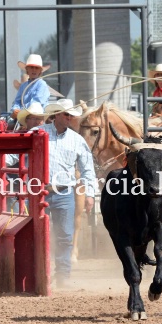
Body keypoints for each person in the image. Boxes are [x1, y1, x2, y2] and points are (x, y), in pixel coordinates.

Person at [40, 99, 97, 286]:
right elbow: (16, 154)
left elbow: (88, 169)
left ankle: (63, 276)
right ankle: (38, 275)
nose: (70, 118)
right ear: (56, 114)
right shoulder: (38, 133)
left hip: (64, 193)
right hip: (39, 192)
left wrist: (90, 194)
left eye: (71, 115)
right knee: (36, 234)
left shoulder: (77, 140)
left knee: (65, 235)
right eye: (66, 114)